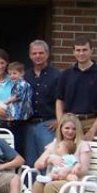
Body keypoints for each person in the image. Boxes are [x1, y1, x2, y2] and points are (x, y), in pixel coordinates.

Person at [56, 36, 97, 142]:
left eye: (84, 50)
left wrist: (93, 129)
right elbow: (59, 100)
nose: (81, 53)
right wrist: (61, 123)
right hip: (70, 123)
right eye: (78, 50)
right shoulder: (66, 74)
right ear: (73, 52)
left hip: (91, 122)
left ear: (91, 51)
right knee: (67, 157)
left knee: (94, 156)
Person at [24, 39, 62, 168]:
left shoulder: (57, 75)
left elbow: (62, 99)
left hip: (48, 125)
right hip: (28, 125)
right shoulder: (26, 76)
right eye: (34, 53)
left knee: (49, 162)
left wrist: (59, 120)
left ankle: (48, 188)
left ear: (47, 54)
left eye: (41, 53)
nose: (38, 56)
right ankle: (31, 188)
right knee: (31, 163)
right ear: (30, 55)